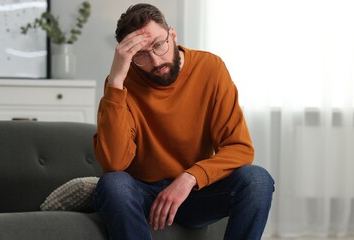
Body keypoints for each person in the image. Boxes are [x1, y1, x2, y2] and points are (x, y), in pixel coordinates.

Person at [93, 3, 274, 240]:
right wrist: (116, 80)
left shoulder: (210, 68)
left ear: (173, 34)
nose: (156, 61)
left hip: (196, 194)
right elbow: (115, 162)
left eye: (159, 45)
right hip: (142, 194)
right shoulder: (121, 84)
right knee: (112, 183)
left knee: (257, 180)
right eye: (141, 55)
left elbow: (239, 148)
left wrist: (190, 178)